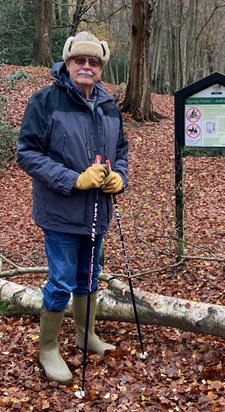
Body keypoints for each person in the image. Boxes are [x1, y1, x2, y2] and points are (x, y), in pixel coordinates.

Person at [16, 31, 128, 384]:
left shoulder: (109, 106)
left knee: (89, 276)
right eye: (80, 59)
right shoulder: (45, 101)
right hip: (60, 213)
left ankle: (85, 334)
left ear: (101, 67)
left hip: (98, 213)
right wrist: (73, 179)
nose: (86, 66)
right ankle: (48, 347)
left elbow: (121, 151)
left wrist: (119, 177)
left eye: (93, 61)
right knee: (61, 280)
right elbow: (27, 154)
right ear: (67, 63)